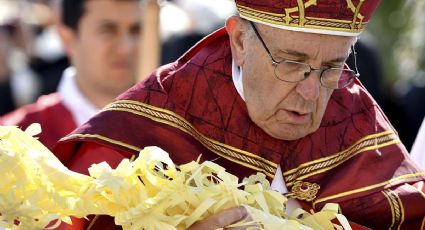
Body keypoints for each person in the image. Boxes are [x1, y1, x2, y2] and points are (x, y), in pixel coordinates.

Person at [55, 0, 425, 229]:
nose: (312, 93)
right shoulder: (146, 125)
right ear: (240, 42)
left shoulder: (356, 118)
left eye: (332, 67)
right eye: (292, 63)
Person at [1, 0, 141, 151]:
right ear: (67, 37)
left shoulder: (163, 131)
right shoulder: (11, 143)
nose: (126, 48)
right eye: (108, 30)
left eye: (135, 30)